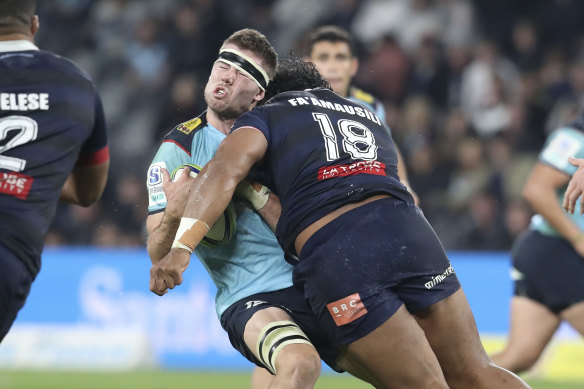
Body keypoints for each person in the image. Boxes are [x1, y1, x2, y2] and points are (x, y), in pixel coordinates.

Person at [151, 57, 531, 389]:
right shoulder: (366, 114)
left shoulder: (265, 115)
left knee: (423, 384)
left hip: (340, 250)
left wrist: (182, 247)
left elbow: (223, 171)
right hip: (409, 231)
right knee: (477, 372)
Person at [146, 29, 342, 389]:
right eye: (223, 63)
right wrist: (175, 212)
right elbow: (157, 254)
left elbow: (307, 229)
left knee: (422, 371)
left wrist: (251, 190)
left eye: (243, 72)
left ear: (259, 95)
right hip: (251, 295)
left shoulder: (280, 141)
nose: (227, 75)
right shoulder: (179, 149)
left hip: (318, 282)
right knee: (300, 364)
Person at [0, 0, 109, 343]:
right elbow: (88, 191)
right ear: (33, 25)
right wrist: (33, 176)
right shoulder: (78, 86)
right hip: (11, 255)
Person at [492, 109, 584, 374]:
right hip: (559, 254)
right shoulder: (574, 136)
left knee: (520, 356)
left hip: (550, 254)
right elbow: (536, 189)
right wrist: (578, 238)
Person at [305, 25, 416, 200]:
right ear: (308, 65)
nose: (333, 67)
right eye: (324, 58)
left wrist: (404, 183)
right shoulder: (296, 105)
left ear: (354, 66)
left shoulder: (370, 105)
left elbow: (388, 146)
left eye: (340, 58)